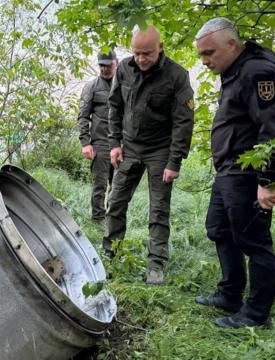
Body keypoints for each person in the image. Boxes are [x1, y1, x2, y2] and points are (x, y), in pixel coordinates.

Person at [194, 17, 275, 328]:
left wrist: (268, 181)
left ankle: (256, 315)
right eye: (202, 55)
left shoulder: (257, 71)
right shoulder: (234, 70)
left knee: (254, 242)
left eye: (209, 53)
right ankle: (230, 294)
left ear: (231, 45)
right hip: (228, 170)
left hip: (248, 172)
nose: (206, 61)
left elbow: (272, 130)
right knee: (219, 229)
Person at [104, 25, 195, 285]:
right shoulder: (123, 69)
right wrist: (114, 143)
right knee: (116, 202)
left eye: (148, 53)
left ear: (161, 48)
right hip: (129, 148)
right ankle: (111, 255)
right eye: (137, 53)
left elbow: (183, 121)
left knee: (158, 210)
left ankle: (155, 264)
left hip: (160, 151)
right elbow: (115, 106)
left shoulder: (177, 76)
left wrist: (174, 160)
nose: (142, 59)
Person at [77, 50, 118, 222]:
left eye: (108, 65)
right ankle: (98, 220)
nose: (104, 69)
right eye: (101, 65)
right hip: (100, 145)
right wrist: (85, 143)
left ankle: (114, 219)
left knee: (118, 187)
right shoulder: (91, 87)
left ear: (116, 63)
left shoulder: (125, 85)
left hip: (120, 145)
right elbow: (83, 117)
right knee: (99, 185)